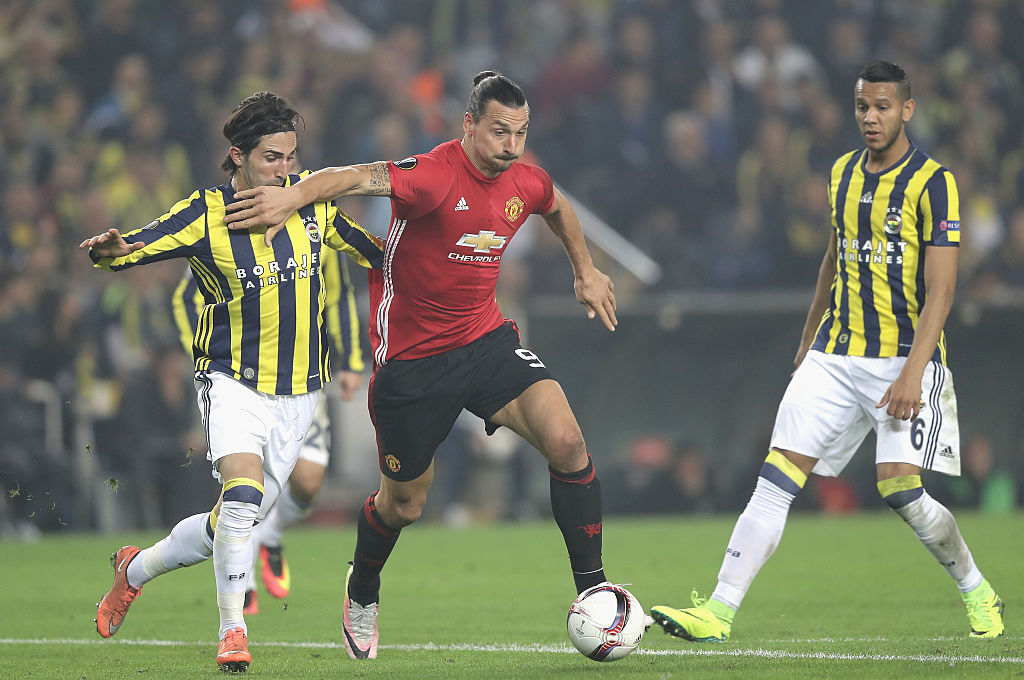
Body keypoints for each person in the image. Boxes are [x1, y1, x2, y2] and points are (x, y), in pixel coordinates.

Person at [223, 71, 619, 661]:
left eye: (520, 133)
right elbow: (354, 176)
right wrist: (292, 195)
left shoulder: (525, 180)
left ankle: (595, 592)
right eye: (499, 132)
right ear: (469, 125)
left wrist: (584, 271)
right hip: (412, 363)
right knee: (404, 504)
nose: (511, 146)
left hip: (485, 341)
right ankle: (363, 586)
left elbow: (556, 205)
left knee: (567, 441)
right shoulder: (433, 175)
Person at [649, 60, 1004, 643]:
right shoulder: (841, 173)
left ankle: (976, 589)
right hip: (834, 355)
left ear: (907, 110)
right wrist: (807, 338)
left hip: (904, 357)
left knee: (902, 492)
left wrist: (913, 373)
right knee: (776, 477)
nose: (871, 116)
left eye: (883, 106)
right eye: (863, 106)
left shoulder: (934, 182)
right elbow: (833, 261)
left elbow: (942, 290)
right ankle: (718, 610)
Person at [82, 91, 384, 672]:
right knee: (244, 498)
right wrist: (111, 253)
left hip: (301, 392)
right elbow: (135, 247)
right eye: (272, 157)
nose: (285, 170)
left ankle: (134, 568)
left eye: (291, 157)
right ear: (239, 156)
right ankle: (233, 632)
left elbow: (377, 254)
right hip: (231, 381)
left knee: (231, 522)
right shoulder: (206, 214)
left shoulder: (312, 207)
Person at [172, 248, 366, 615]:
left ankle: (269, 537)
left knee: (308, 483)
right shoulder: (228, 229)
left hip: (301, 380)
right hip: (240, 382)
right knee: (243, 484)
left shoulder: (316, 225)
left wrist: (352, 359)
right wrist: (209, 357)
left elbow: (338, 294)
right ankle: (241, 584)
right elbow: (185, 298)